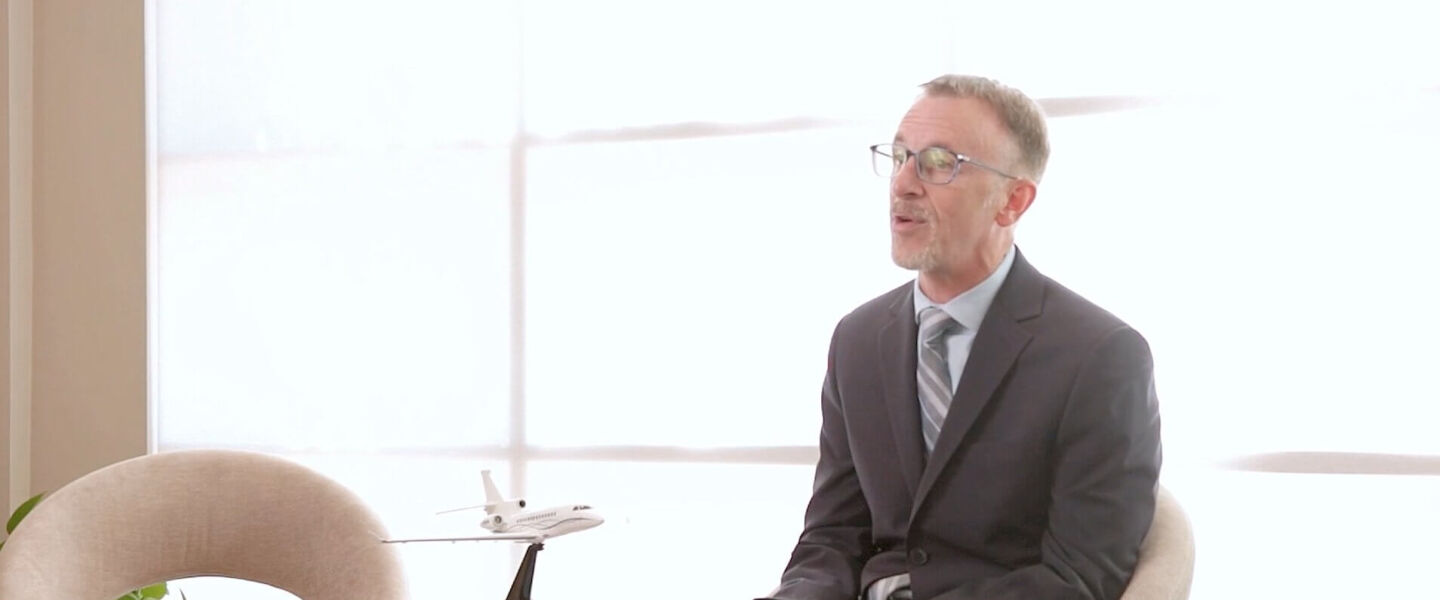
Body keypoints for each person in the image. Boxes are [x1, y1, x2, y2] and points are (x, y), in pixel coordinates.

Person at [763, 75, 1163, 600]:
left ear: (1012, 202)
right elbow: (833, 537)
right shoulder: (858, 340)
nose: (903, 182)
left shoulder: (1100, 355)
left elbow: (1079, 578)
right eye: (901, 155)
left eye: (937, 163)